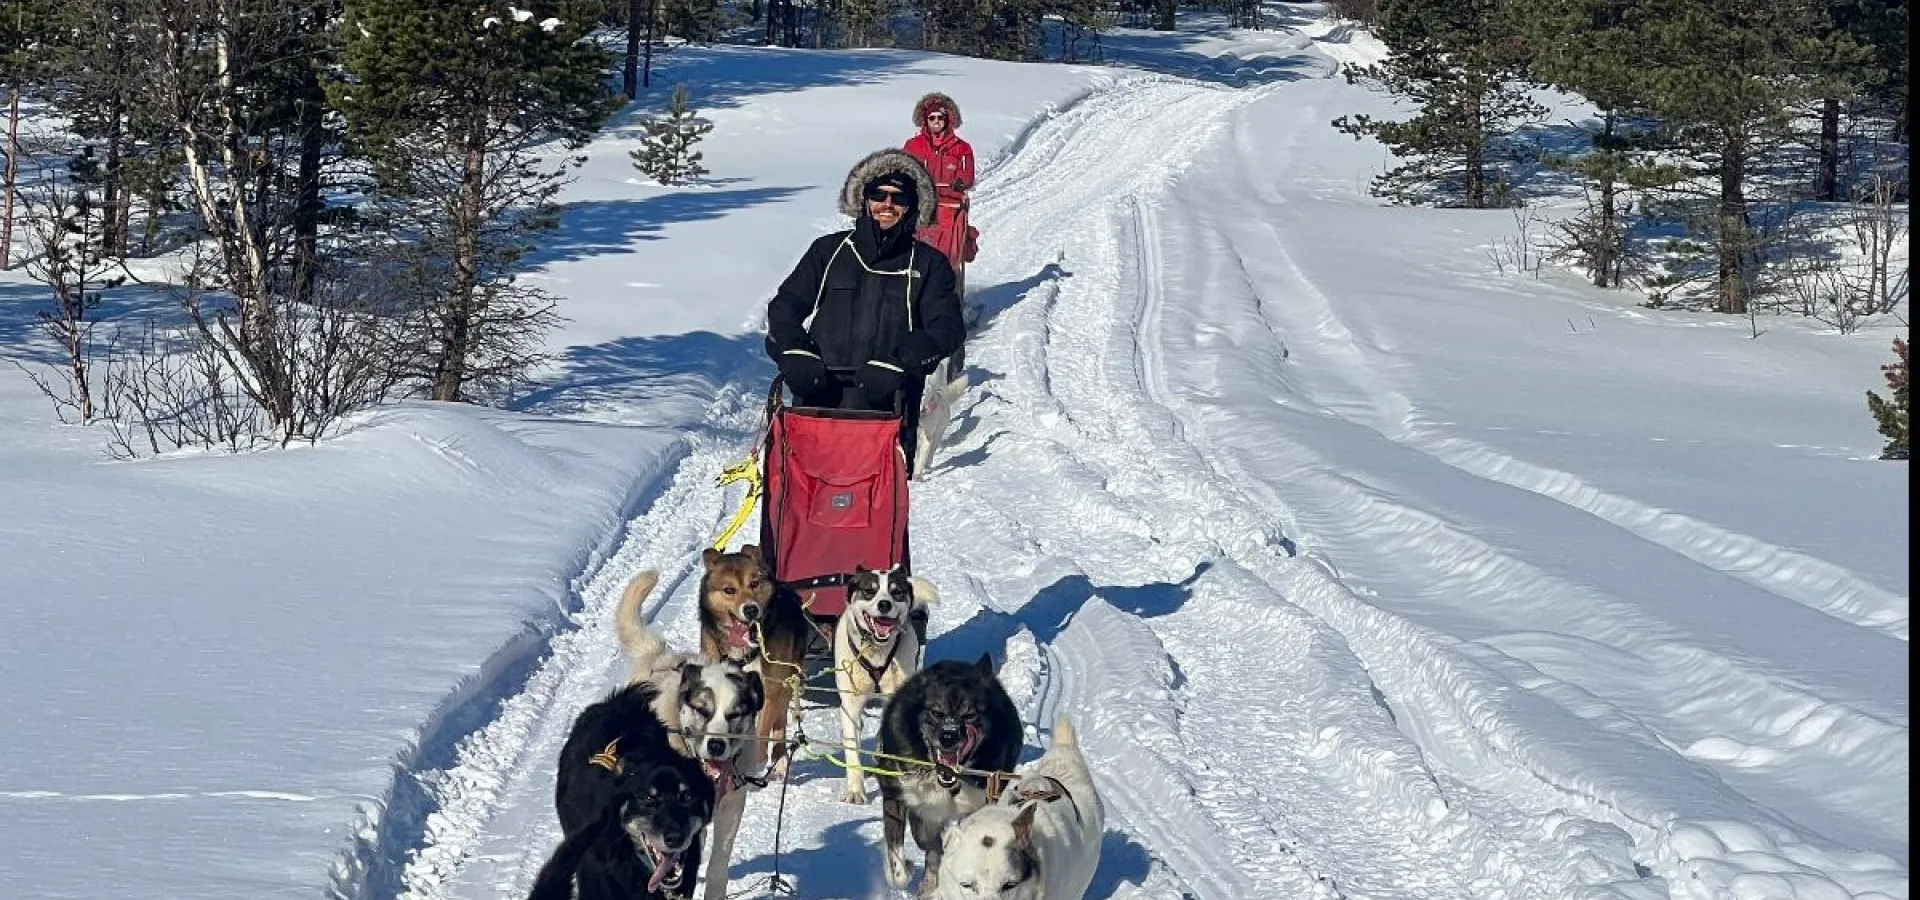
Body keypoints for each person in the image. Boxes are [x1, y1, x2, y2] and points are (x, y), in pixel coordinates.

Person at [764, 148, 966, 470]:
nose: (887, 204)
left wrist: (903, 361)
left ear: (912, 207)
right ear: (863, 199)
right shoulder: (829, 251)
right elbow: (785, 307)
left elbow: (948, 328)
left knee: (874, 514)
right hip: (819, 403)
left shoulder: (929, 264)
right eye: (879, 194)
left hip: (889, 411)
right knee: (805, 507)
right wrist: (793, 352)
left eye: (899, 199)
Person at [902, 92, 976, 269]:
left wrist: (960, 182)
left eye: (940, 117)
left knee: (947, 246)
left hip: (949, 204)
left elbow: (968, 173)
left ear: (947, 119)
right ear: (925, 120)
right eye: (931, 117)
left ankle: (945, 273)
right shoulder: (913, 145)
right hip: (920, 202)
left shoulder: (961, 147)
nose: (936, 121)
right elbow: (903, 167)